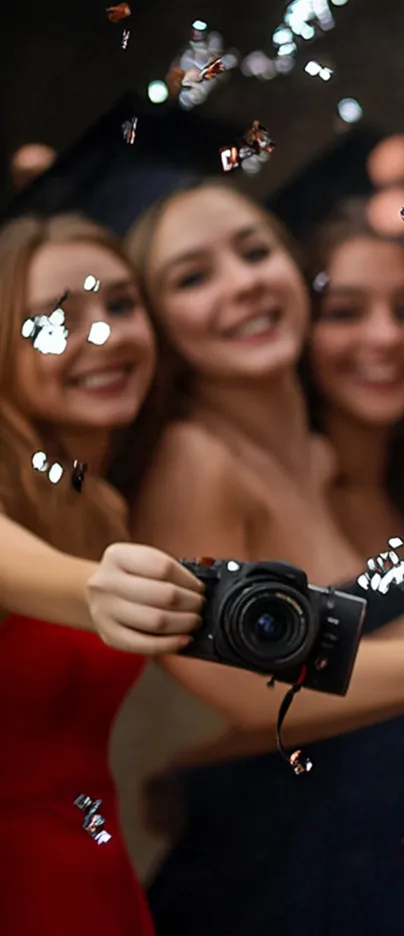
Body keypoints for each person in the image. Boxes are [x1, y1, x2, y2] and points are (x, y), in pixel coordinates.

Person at [108, 176, 404, 936]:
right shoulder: (193, 457)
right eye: (193, 277)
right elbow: (266, 688)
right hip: (284, 877)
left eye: (255, 251)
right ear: (157, 321)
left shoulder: (323, 461)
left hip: (396, 849)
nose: (242, 283)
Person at [0, 212, 212, 936]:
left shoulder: (104, 501)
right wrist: (89, 588)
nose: (106, 334)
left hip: (89, 864)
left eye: (120, 304)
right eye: (53, 321)